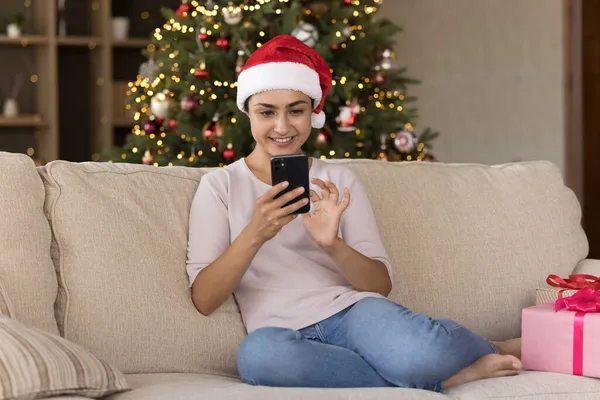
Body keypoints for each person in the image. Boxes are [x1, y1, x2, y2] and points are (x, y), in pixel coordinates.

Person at [186, 34, 521, 393]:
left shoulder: (339, 179)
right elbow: (204, 299)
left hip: (355, 315)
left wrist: (332, 244)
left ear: (312, 113)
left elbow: (379, 285)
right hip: (280, 332)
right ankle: (449, 376)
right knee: (258, 359)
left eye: (296, 110)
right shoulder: (220, 186)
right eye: (267, 112)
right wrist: (256, 232)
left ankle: (489, 347)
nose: (282, 127)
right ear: (247, 112)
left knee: (420, 351)